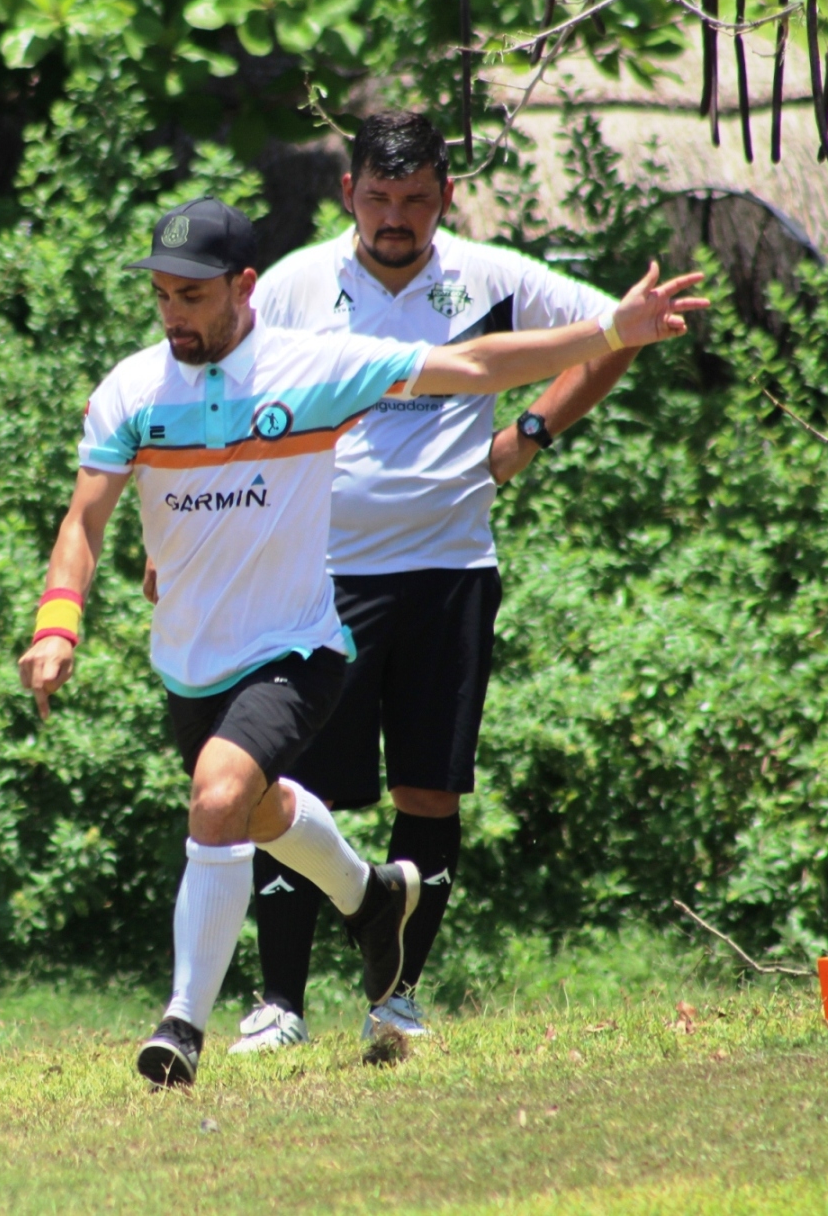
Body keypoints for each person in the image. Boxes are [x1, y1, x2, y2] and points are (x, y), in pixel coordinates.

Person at [18, 197, 701, 1087]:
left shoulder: (313, 369)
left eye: (191, 296)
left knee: (218, 796)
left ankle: (181, 1028)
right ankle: (372, 897)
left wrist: (607, 327)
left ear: (243, 287)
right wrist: (57, 621)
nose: (172, 314)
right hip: (189, 664)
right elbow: (84, 518)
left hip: (298, 649)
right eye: (159, 296)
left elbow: (468, 362)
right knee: (259, 815)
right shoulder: (131, 392)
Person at [212, 111, 642, 1053]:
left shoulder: (491, 279)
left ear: (446, 195)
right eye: (377, 197)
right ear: (347, 195)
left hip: (449, 568)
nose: (394, 217)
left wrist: (524, 440)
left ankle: (393, 1002)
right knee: (277, 787)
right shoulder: (291, 287)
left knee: (429, 794)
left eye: (415, 199)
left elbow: (612, 334)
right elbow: (225, 401)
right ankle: (279, 1003)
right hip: (318, 575)